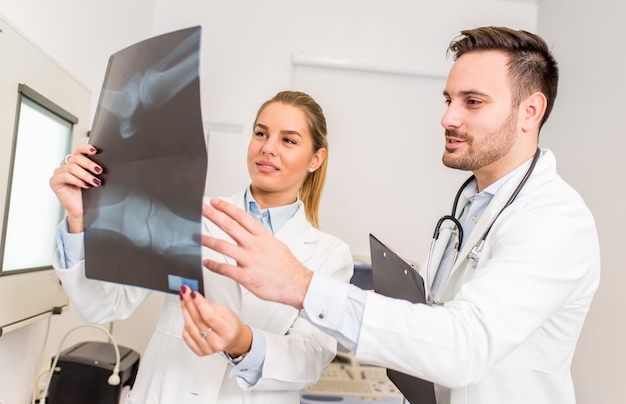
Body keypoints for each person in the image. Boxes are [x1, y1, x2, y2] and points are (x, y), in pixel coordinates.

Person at [198, 27, 601, 404]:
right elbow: (433, 324)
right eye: (449, 100)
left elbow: (462, 346)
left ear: (530, 111)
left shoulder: (555, 221)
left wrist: (302, 286)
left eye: (472, 101)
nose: (448, 118)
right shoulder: (469, 209)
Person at [49, 90, 354, 404]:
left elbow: (312, 357)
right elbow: (104, 305)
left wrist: (242, 342)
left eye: (288, 140)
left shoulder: (329, 255)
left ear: (316, 158)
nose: (268, 148)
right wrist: (79, 219)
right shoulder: (187, 215)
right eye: (261, 133)